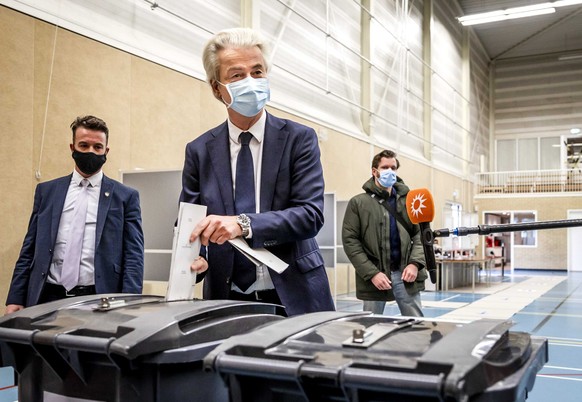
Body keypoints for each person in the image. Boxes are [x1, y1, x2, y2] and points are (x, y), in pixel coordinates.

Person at [180, 27, 334, 316]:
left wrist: (243, 224)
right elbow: (190, 220)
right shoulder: (199, 151)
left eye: (258, 71)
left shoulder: (299, 139)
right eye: (237, 75)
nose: (250, 81)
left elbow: (310, 215)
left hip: (294, 294)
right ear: (217, 88)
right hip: (227, 297)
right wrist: (196, 260)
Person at [5, 115, 144, 314]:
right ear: (72, 148)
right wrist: (15, 297)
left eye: (97, 147)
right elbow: (29, 248)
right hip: (47, 296)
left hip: (99, 298)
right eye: (84, 145)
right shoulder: (47, 192)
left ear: (106, 150)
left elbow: (134, 256)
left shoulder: (125, 197)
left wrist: (131, 303)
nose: (91, 151)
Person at [342, 150, 427, 316]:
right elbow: (350, 241)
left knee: (416, 325)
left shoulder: (410, 201)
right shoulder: (358, 203)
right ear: (375, 171)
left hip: (406, 275)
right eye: (385, 167)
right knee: (371, 325)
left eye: (393, 168)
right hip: (375, 277)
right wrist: (372, 273)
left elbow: (421, 235)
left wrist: (415, 264)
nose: (390, 171)